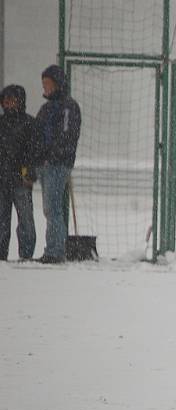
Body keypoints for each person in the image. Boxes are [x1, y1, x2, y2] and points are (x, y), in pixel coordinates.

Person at [35, 65, 81, 264]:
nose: (44, 87)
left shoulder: (68, 106)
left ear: (57, 84)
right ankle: (53, 248)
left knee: (52, 207)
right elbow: (36, 135)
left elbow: (67, 136)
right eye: (43, 84)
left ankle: (55, 250)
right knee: (49, 208)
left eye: (48, 83)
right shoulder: (46, 109)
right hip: (45, 164)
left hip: (57, 164)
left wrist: (52, 155)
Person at [0, 85, 40, 261]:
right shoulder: (1, 123)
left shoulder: (29, 123)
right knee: (2, 220)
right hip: (2, 179)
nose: (7, 103)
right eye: (5, 100)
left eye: (11, 99)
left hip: (21, 180)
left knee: (25, 220)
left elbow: (33, 152)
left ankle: (26, 254)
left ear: (20, 101)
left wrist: (29, 173)